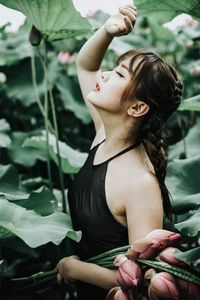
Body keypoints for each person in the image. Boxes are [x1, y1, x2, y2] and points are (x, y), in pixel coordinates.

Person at [56, 4, 183, 300]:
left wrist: (74, 268)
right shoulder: (104, 133)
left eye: (118, 74)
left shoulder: (139, 183)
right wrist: (107, 31)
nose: (105, 75)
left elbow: (141, 280)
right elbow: (86, 66)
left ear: (137, 108)